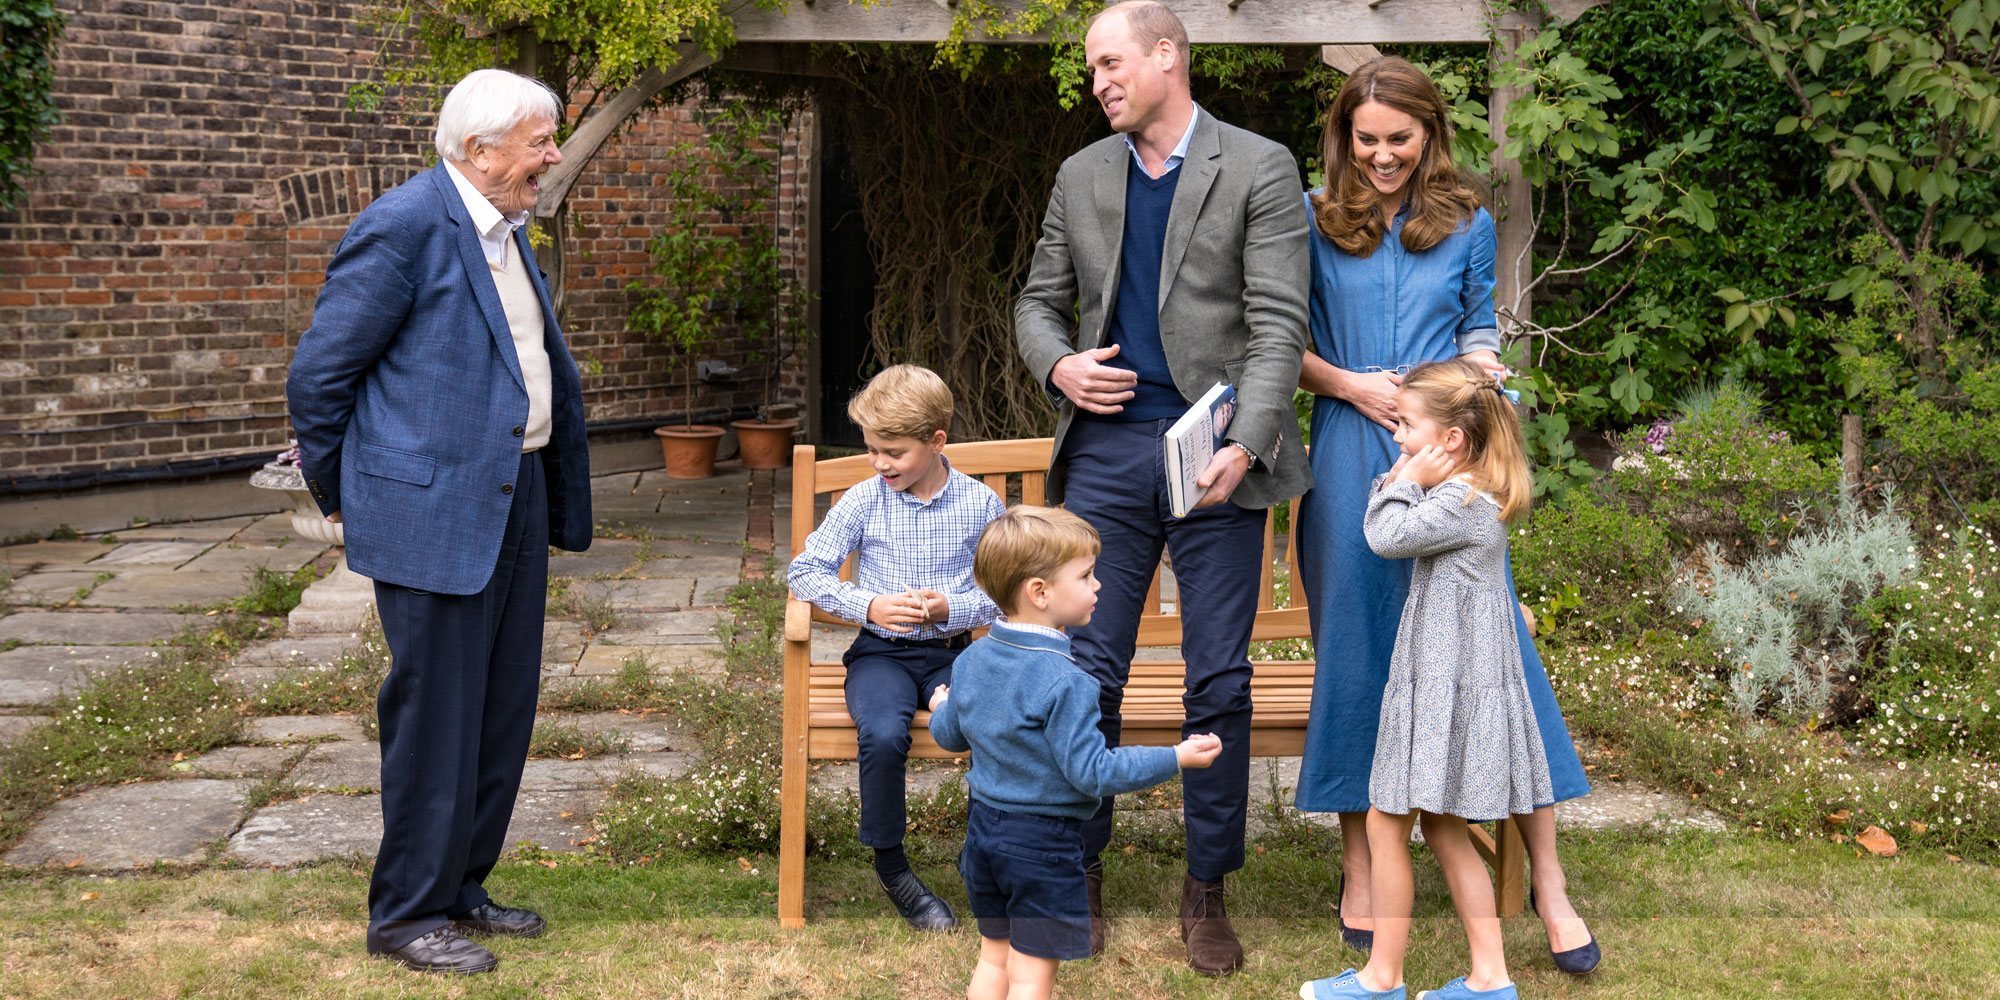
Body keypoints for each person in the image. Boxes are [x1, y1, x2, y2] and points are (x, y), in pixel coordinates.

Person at [1014, 0, 1311, 974]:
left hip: (1212, 454)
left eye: (1109, 63)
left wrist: (1250, 440)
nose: (1097, 81)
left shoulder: (1258, 166)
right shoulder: (1080, 174)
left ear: (1165, 57)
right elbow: (1033, 302)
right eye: (1092, 68)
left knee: (1216, 678)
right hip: (1103, 454)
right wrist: (1058, 365)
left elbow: (1275, 326)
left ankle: (1205, 887)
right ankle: (1080, 870)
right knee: (1085, 676)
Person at [1291, 55, 1599, 975]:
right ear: (1345, 135)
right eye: (1367, 139)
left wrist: (1476, 371)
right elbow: (1282, 339)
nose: (1383, 157)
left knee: (1494, 646)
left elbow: (1478, 325)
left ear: (1430, 135)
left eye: (1400, 139)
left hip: (1450, 451)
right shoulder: (1310, 217)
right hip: (1351, 447)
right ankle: (1360, 864)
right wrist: (1354, 386)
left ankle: (1547, 879)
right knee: (1358, 645)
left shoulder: (1464, 219)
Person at [285, 68, 592, 974]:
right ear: (478, 150)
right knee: (435, 717)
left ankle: (461, 887)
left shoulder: (504, 229)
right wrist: (344, 495)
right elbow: (321, 376)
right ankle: (405, 916)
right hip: (432, 509)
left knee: (500, 708)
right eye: (538, 141)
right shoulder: (406, 224)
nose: (552, 155)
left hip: (515, 494)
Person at [1302, 358, 1547, 1000]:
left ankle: (1381, 978)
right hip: (1449, 681)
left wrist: (1402, 475)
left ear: (1452, 441)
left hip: (1443, 688)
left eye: (1408, 426)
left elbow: (1382, 534)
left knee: (1388, 824)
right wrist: (1412, 471)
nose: (1398, 437)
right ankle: (1490, 978)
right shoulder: (1473, 493)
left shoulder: (1458, 500)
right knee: (1441, 826)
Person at [929, 506, 1224, 1000]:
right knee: (1031, 974)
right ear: (1039, 593)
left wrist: (943, 704)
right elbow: (1094, 772)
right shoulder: (1069, 683)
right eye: (1086, 575)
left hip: (982, 834)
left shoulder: (974, 658)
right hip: (1041, 845)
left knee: (994, 957)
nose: (1098, 585)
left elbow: (951, 735)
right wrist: (1176, 757)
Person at [786, 364, 1007, 932]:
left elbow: (1006, 592)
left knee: (990, 724)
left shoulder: (980, 506)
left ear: (937, 441)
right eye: (872, 451)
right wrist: (867, 605)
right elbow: (805, 572)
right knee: (883, 733)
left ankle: (984, 859)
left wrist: (949, 609)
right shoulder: (865, 501)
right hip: (880, 655)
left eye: (893, 452)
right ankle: (893, 869)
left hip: (954, 655)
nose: (881, 463)